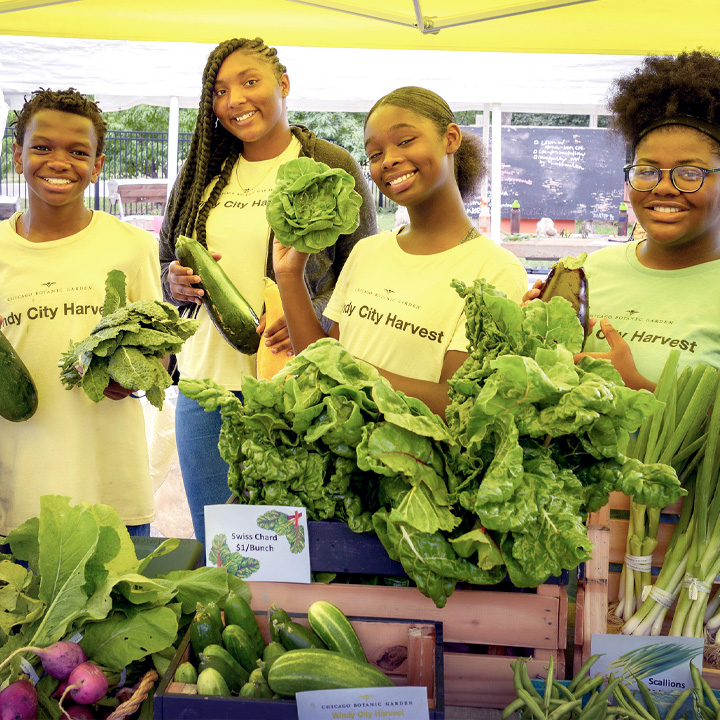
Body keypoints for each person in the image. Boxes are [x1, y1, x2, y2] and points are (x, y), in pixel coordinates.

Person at [158, 37, 376, 549]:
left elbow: (363, 269)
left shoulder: (328, 164)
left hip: (294, 389)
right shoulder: (201, 172)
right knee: (223, 549)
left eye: (249, 82)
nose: (234, 100)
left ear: (283, 84)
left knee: (290, 551)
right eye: (219, 90)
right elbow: (166, 259)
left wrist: (316, 312)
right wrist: (173, 282)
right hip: (204, 386)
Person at [273, 86, 528, 419]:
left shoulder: (496, 270)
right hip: (341, 462)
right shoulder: (367, 251)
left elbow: (461, 402)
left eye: (405, 141)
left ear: (450, 138)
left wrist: (349, 371)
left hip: (421, 467)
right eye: (375, 154)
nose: (388, 159)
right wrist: (289, 275)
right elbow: (319, 368)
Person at [0, 88, 160, 537]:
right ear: (17, 156)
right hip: (14, 498)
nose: (58, 161)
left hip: (111, 492)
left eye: (77, 151)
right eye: (41, 147)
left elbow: (162, 356)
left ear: (97, 165)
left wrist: (131, 376)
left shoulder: (132, 247)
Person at [528, 50, 720, 390]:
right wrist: (531, 335)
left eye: (690, 173)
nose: (663, 187)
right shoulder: (586, 272)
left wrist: (636, 387)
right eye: (646, 170)